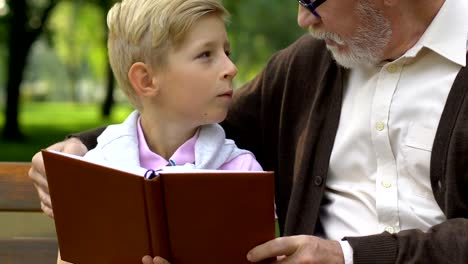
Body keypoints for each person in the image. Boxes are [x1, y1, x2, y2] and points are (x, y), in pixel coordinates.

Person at [30, 0, 468, 263]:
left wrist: (349, 256)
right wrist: (83, 147)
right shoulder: (313, 63)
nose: (303, 19)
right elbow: (194, 117)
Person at [47, 0, 264, 263]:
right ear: (146, 80)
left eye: (227, 53)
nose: (231, 68)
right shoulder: (96, 169)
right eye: (206, 54)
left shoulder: (242, 174)